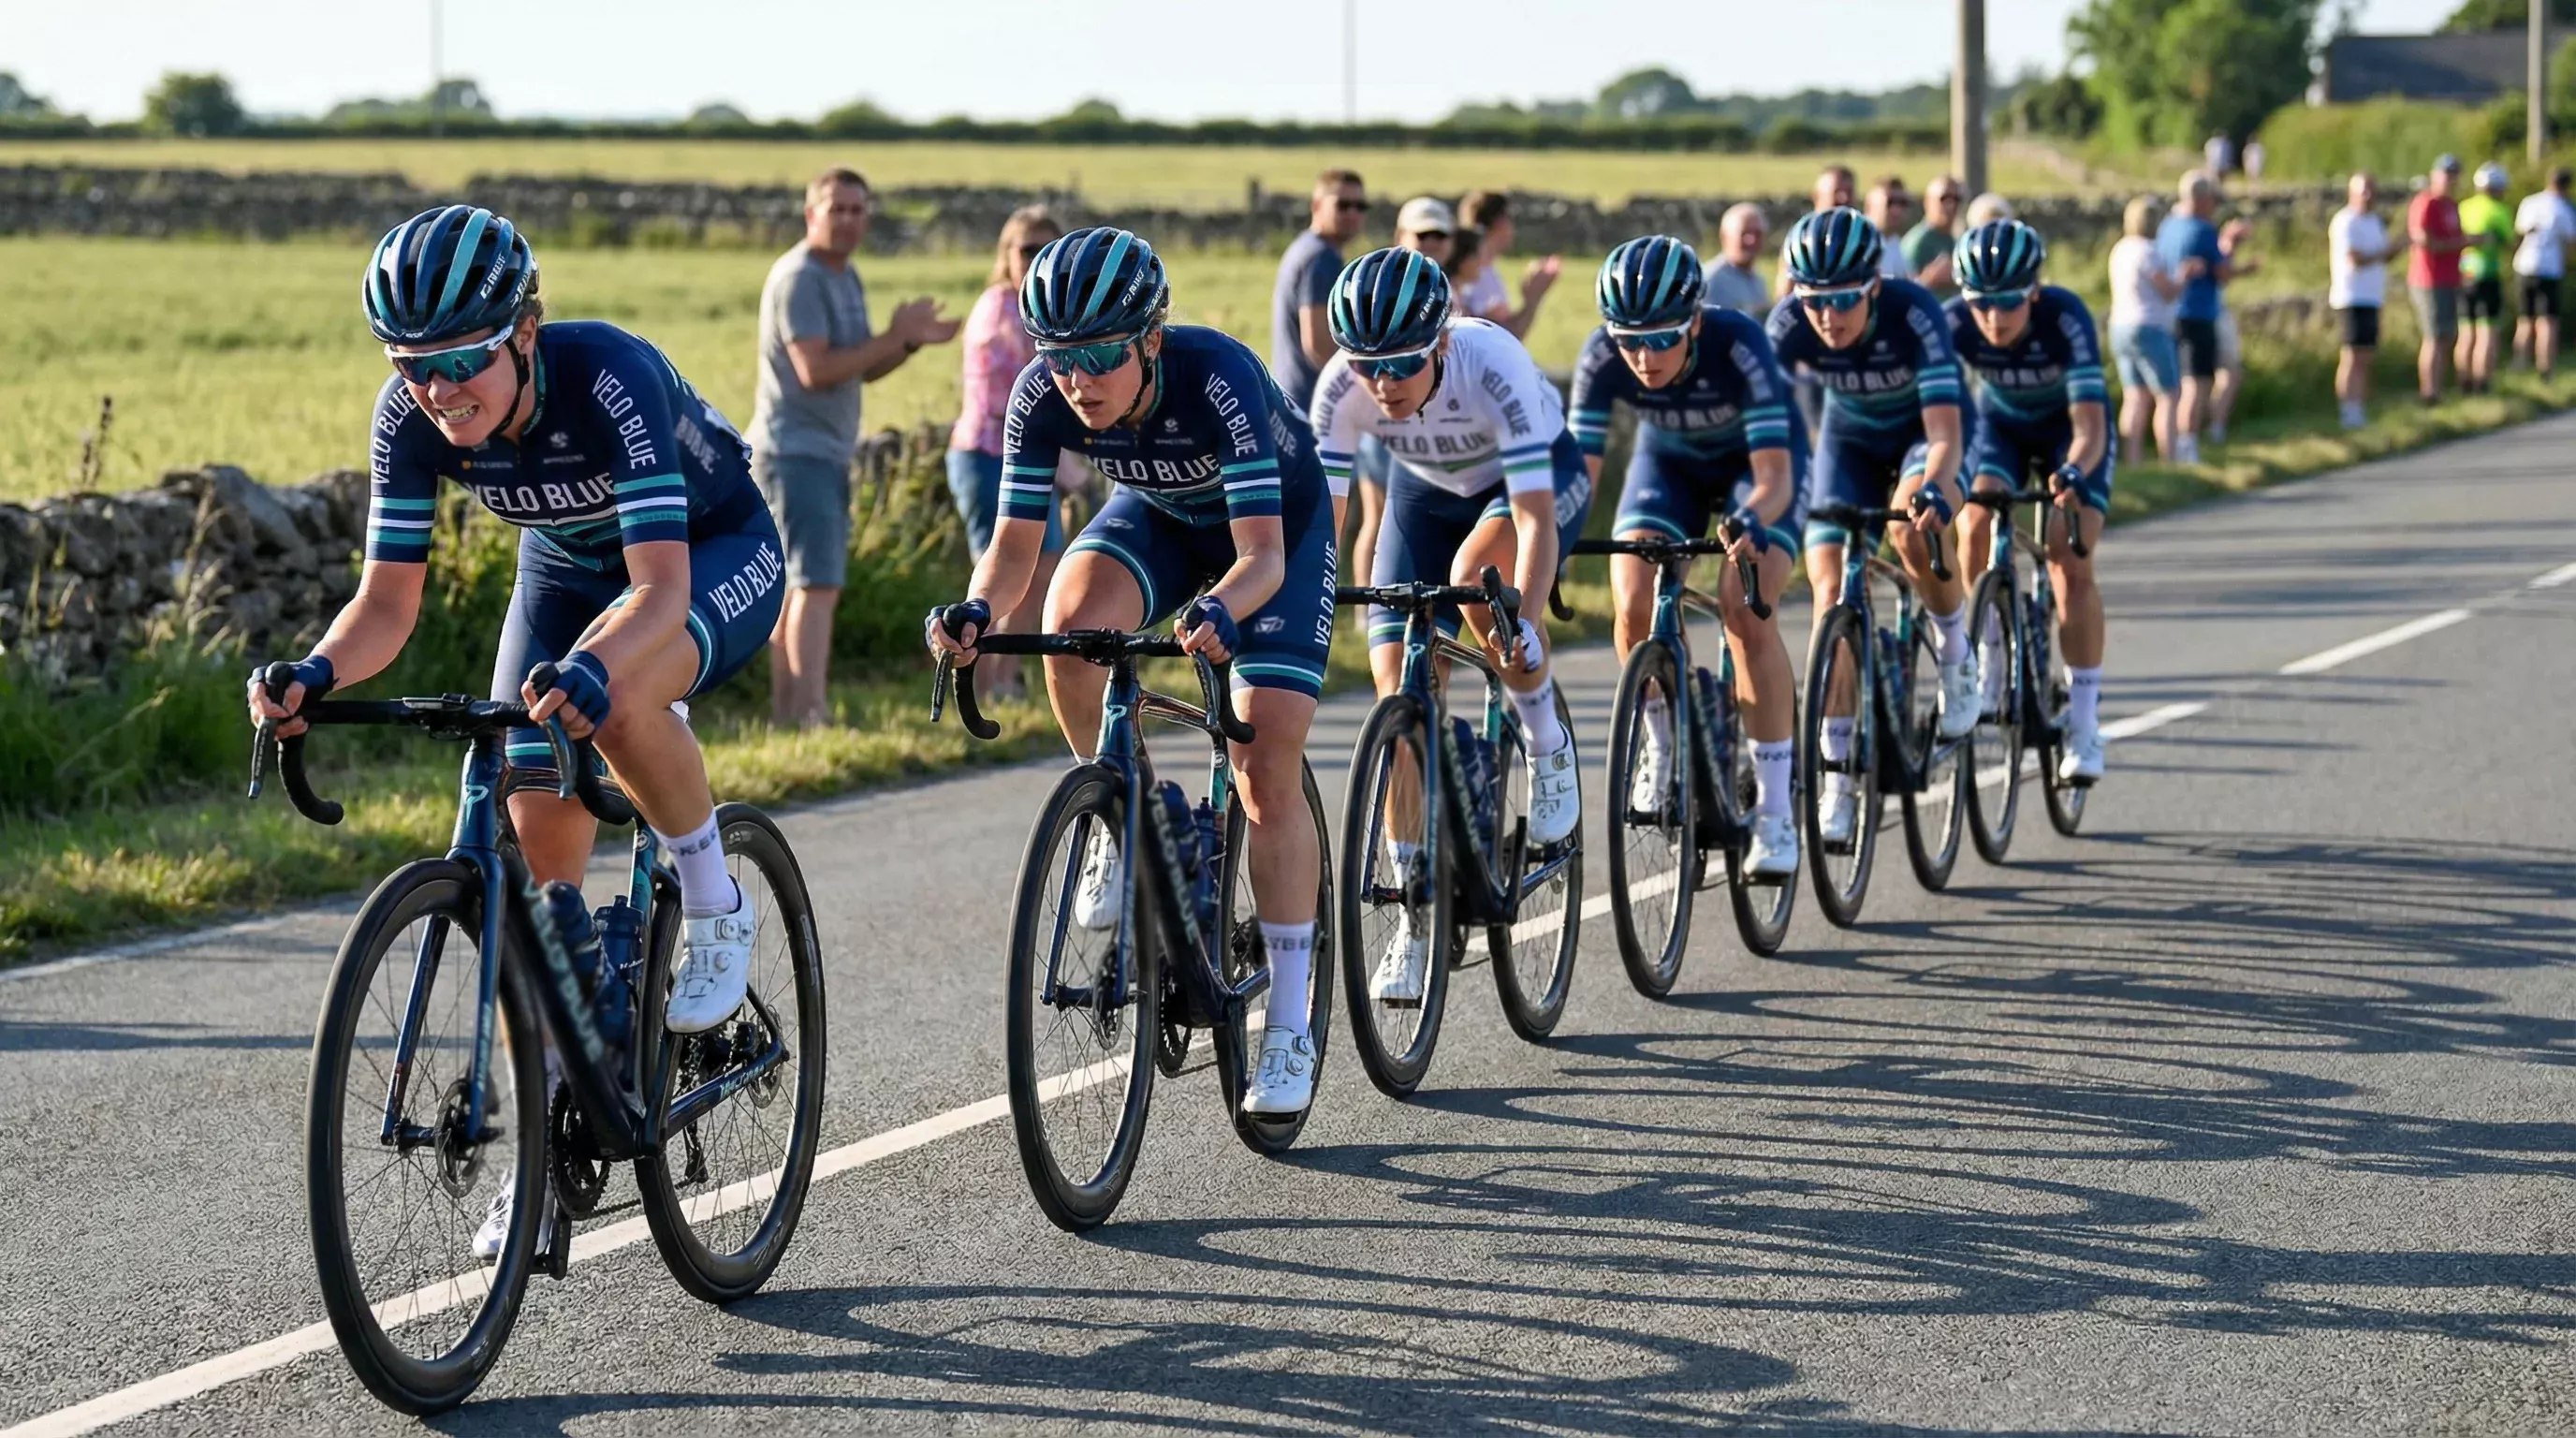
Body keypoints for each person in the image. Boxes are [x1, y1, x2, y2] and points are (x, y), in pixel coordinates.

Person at [249, 205, 788, 1256]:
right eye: (413, 366)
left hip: (707, 555)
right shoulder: (409, 419)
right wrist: (314, 673)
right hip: (562, 573)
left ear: (524, 332)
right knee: (533, 864)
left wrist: (597, 665)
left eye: (461, 362)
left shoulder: (607, 377)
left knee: (624, 702)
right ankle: (548, 1141)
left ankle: (713, 898)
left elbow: (659, 591)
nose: (439, 391)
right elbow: (387, 605)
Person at [927, 227, 1336, 1117]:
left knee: (1263, 759)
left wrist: (1223, 610)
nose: (1079, 379)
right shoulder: (1043, 395)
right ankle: (1126, 816)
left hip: (1274, 536)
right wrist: (978, 613)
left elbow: (1260, 554)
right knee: (1072, 629)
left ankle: (1293, 1021)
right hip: (1157, 517)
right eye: (1060, 356)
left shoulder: (1217, 377)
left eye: (1102, 353)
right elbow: (1012, 550)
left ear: (1151, 338)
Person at [1308, 247, 1590, 1006]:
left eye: (1401, 363)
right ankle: (1415, 913)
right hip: (1423, 496)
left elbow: (1534, 522)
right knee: (1394, 687)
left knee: (1479, 588)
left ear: (1439, 343)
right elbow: (1321, 532)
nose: (1384, 383)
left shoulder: (1491, 360)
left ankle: (1543, 736)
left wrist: (1525, 622)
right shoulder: (1343, 389)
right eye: (1368, 365)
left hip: (1528, 485)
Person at [1573, 237, 1805, 874]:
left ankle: (1778, 815)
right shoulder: (1603, 356)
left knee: (1743, 607)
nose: (1642, 357)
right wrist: (1554, 542)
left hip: (1755, 473)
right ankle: (1663, 742)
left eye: (1660, 339)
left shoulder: (1740, 344)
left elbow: (1775, 476)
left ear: (1695, 322)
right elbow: (1578, 475)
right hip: (1668, 463)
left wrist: (1754, 517)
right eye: (1628, 341)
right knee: (1632, 601)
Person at [1766, 207, 1977, 848]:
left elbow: (1944, 435)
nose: (1827, 316)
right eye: (1814, 301)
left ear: (1874, 287)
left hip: (1925, 437)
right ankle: (1836, 783)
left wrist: (1934, 492)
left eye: (1843, 300)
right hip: (1848, 443)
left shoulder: (1916, 313)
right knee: (1831, 594)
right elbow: (1761, 438)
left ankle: (1954, 649)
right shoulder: (1786, 326)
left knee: (1913, 534)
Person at [752, 168, 958, 728]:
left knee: (803, 589)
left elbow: (859, 367)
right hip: (796, 452)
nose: (847, 219)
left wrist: (907, 343)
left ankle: (791, 715)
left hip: (822, 451)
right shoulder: (800, 277)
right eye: (835, 208)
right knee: (815, 587)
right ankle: (806, 714)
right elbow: (815, 370)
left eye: (857, 209)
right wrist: (894, 337)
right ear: (810, 213)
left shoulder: (844, 276)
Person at [1945, 219, 2114, 784]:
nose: (1993, 317)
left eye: (2008, 303)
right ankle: (1993, 648)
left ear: (2033, 292)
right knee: (1972, 522)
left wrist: (2071, 471)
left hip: (2071, 434)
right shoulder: (1953, 326)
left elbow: (2090, 425)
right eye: (1981, 304)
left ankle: (2085, 724)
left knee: (2069, 558)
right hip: (2003, 429)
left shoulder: (2065, 318)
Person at [946, 205, 1065, 702]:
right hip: (989, 455)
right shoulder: (1002, 309)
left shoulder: (1041, 307)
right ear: (1007, 255)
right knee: (999, 573)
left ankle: (1007, 677)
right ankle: (989, 682)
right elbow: (1009, 402)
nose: (1036, 257)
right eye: (1026, 249)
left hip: (1031, 458)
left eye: (1046, 249)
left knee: (1044, 565)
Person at [1272, 169, 1368, 418]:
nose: (1352, 214)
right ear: (1316, 205)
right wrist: (1361, 388)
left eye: (1360, 206)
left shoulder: (1306, 247)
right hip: (1312, 406)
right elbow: (1318, 344)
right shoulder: (1320, 257)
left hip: (1293, 399)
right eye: (1343, 205)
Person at [2156, 171, 2233, 463]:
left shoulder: (2167, 226)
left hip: (2170, 313)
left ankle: (2175, 445)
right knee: (2197, 383)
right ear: (2201, 199)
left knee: (2177, 384)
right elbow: (2222, 272)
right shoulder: (2203, 230)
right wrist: (2231, 244)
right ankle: (2187, 444)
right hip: (2198, 312)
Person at [2107, 195, 2184, 464]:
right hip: (2149, 326)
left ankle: (2133, 458)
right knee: (2168, 395)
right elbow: (2168, 291)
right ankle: (2169, 458)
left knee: (2135, 396)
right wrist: (2184, 276)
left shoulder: (2121, 249)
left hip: (2120, 325)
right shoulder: (2148, 252)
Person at [2328, 172, 2400, 432]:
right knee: (2351, 354)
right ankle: (2347, 409)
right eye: (2363, 191)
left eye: (2371, 190)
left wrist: (2396, 248)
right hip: (2351, 296)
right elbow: (2355, 259)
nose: (2368, 196)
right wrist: (2385, 253)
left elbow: (2382, 256)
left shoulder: (2374, 222)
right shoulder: (2345, 221)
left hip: (2372, 296)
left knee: (2366, 355)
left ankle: (2359, 405)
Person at [1455, 190, 1560, 339]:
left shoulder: (1482, 270)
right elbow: (1504, 338)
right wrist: (1533, 298)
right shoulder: (1476, 276)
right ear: (1501, 223)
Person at [2408, 154, 2468, 404]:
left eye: (2453, 175)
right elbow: (2424, 240)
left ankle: (2438, 390)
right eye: (2446, 174)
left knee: (2445, 336)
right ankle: (2428, 393)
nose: (2450, 179)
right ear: (2435, 175)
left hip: (2449, 278)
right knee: (2433, 336)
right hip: (2429, 279)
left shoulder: (2450, 205)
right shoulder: (2426, 202)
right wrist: (2460, 244)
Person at [2455, 163, 2514, 396]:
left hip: (2464, 274)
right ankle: (2482, 381)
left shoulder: (2463, 207)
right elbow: (2509, 242)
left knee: (2466, 332)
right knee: (2488, 332)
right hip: (2488, 274)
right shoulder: (2499, 210)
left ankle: (2463, 382)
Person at [2514, 166, 2576, 376]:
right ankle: (2545, 368)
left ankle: (2520, 363)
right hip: (2550, 268)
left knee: (2525, 318)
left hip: (2525, 265)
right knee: (2548, 321)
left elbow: (2519, 232)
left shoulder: (2529, 202)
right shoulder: (2563, 208)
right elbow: (2570, 243)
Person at [1702, 202, 1771, 315]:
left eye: (1757, 234)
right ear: (1725, 236)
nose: (1752, 240)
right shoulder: (1710, 281)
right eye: (1744, 233)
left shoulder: (1757, 280)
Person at [1905, 174, 1966, 293]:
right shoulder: (1919, 241)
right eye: (1944, 199)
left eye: (1956, 199)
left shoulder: (1954, 239)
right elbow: (1907, 290)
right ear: (1927, 202)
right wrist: (1931, 278)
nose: (1951, 205)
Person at [1864, 177, 1918, 282]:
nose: (1897, 211)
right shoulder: (1860, 246)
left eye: (1902, 203)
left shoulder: (1897, 245)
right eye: (1890, 203)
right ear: (1869, 206)